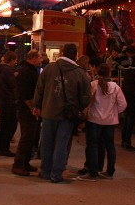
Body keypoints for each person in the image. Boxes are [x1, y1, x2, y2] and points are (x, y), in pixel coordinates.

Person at [32, 43, 91, 183]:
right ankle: (56, 174)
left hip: (48, 111)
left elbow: (39, 88)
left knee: (46, 142)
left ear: (62, 52)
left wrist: (38, 105)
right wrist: (78, 107)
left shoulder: (49, 68)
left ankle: (45, 171)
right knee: (61, 144)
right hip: (67, 115)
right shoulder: (80, 73)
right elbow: (86, 96)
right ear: (75, 55)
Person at [77, 62, 127, 181]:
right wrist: (115, 112)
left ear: (98, 72)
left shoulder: (94, 85)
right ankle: (110, 171)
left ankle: (93, 172)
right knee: (110, 146)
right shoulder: (115, 87)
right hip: (110, 121)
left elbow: (87, 101)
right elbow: (123, 104)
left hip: (94, 119)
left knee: (92, 145)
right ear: (109, 73)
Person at [11, 50, 42, 176]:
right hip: (25, 109)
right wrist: (32, 108)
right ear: (33, 58)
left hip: (28, 108)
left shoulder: (31, 70)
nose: (41, 60)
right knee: (27, 137)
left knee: (31, 137)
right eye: (39, 58)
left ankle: (25, 162)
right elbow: (25, 94)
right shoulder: (26, 72)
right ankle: (18, 164)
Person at [0, 51, 19, 157]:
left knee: (3, 125)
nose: (15, 63)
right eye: (15, 60)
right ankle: (4, 147)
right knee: (11, 125)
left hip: (1, 100)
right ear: (11, 60)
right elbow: (13, 85)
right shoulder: (8, 71)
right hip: (9, 100)